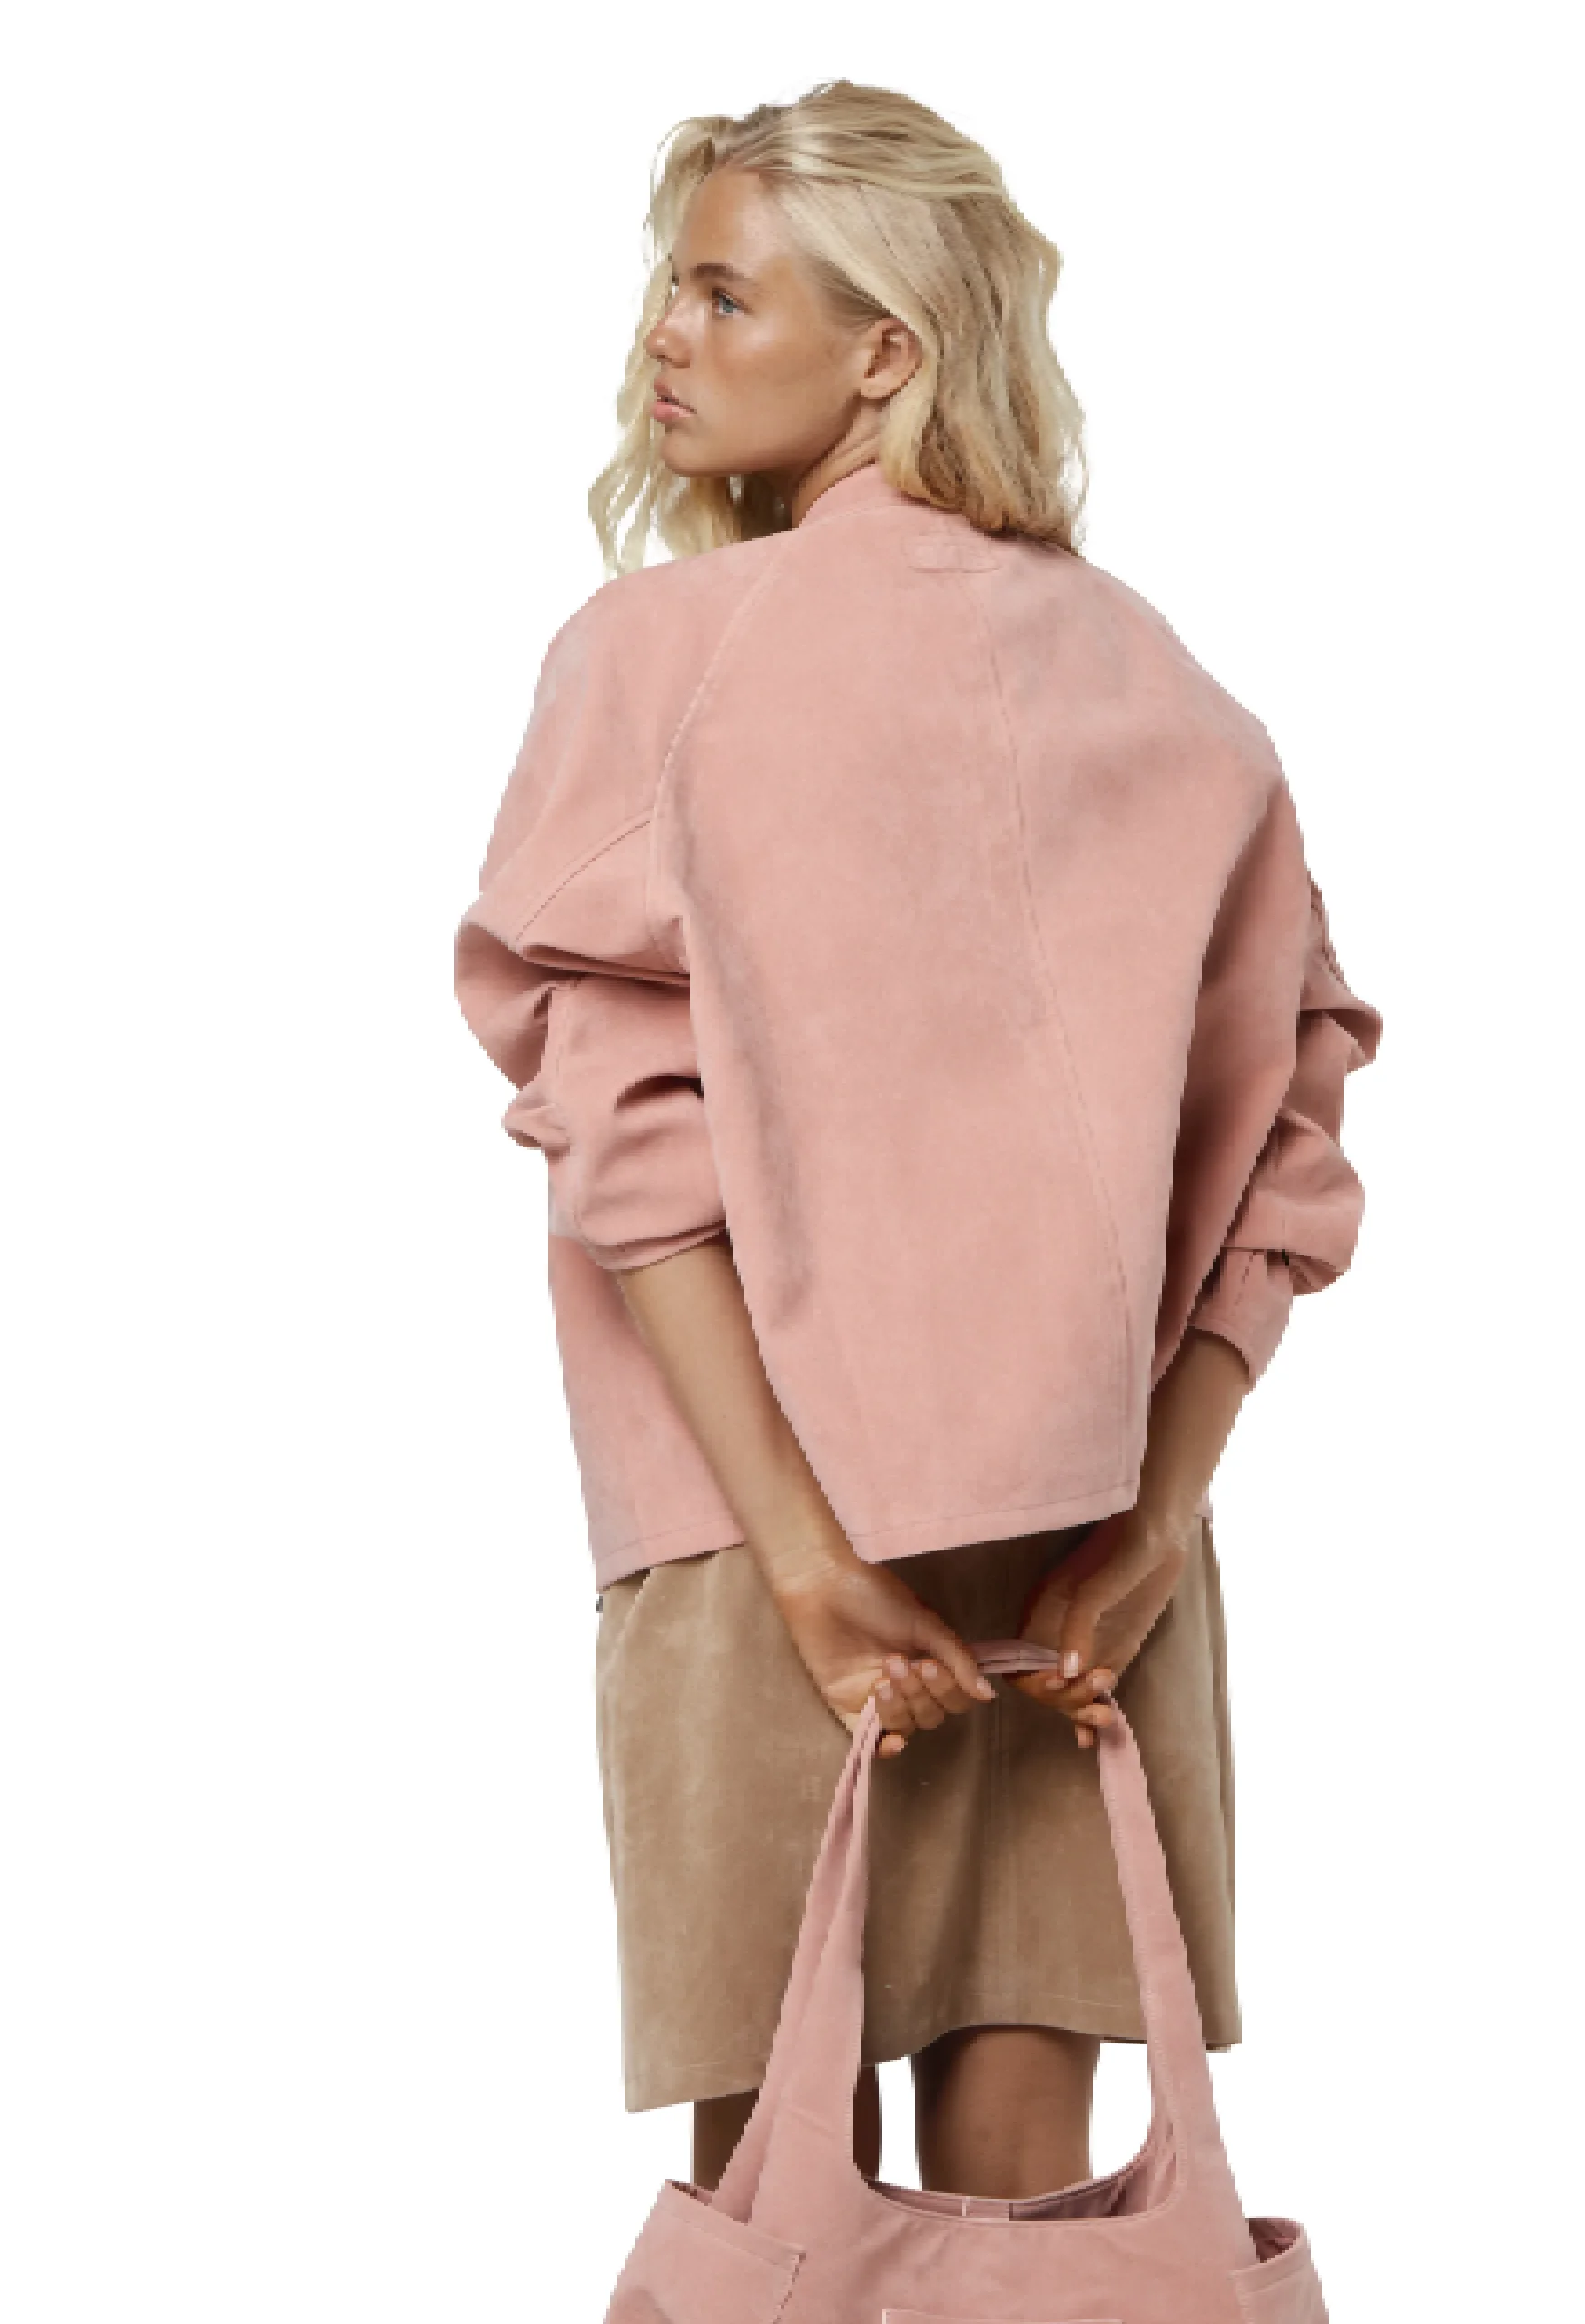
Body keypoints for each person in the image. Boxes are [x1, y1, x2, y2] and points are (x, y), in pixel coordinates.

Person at [453, 80, 1382, 2205]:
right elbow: (1289, 1124)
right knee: (1026, 2186)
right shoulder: (1165, 686)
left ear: (887, 348)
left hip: (748, 1513)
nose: (664, 334)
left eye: (722, 290)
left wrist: (797, 1545)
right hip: (1084, 1547)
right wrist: (1155, 1515)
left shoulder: (662, 655)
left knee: (776, 2191)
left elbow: (627, 1131)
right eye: (673, 286)